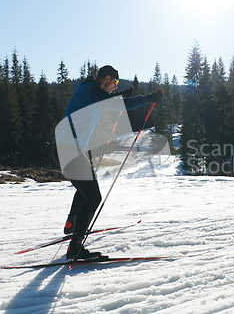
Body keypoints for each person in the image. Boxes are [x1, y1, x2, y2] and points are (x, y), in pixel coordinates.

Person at [54, 65, 162, 260]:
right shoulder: (91, 90)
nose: (115, 86)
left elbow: (106, 100)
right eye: (115, 83)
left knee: (86, 190)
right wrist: (147, 99)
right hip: (69, 150)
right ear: (107, 78)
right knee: (93, 197)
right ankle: (75, 248)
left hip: (66, 149)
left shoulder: (90, 91)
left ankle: (72, 224)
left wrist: (122, 93)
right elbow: (116, 105)